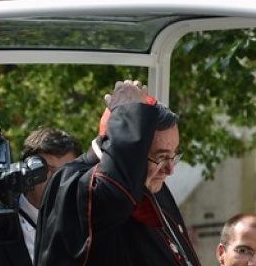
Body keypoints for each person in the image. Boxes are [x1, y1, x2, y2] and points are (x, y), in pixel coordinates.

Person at [34, 80, 201, 266]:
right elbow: (113, 197)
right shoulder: (73, 182)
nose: (169, 170)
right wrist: (130, 115)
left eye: (173, 155)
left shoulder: (151, 182)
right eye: (161, 157)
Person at [0, 128, 82, 266]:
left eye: (67, 172)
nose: (58, 179)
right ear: (27, 172)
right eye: (47, 170)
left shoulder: (84, 220)